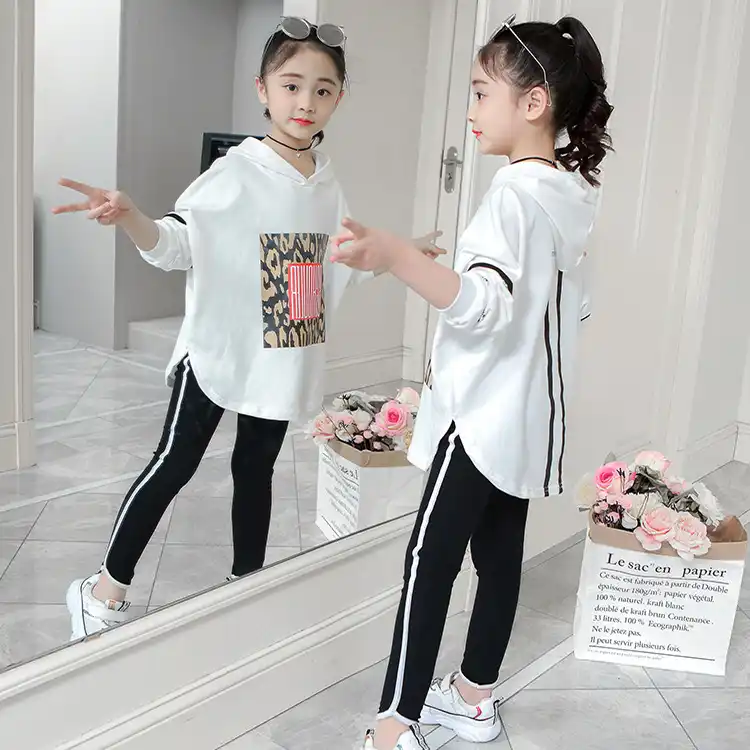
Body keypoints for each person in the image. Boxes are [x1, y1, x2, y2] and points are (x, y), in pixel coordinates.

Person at [52, 17, 440, 641]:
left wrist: (402, 252)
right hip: (219, 347)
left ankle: (246, 586)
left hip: (282, 353)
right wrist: (132, 218)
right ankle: (102, 591)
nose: (305, 102)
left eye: (322, 89)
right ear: (263, 89)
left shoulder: (326, 182)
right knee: (175, 462)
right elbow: (178, 242)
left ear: (340, 98)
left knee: (256, 470)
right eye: (291, 85)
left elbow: (335, 260)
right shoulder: (235, 172)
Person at [330, 15, 613, 750]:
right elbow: (570, 310)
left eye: (482, 93)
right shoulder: (570, 198)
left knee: (430, 561)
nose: (470, 110)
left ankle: (394, 725)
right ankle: (473, 696)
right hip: (528, 420)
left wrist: (396, 257)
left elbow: (483, 304)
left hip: (480, 417)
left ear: (534, 103)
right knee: (498, 557)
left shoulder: (512, 196)